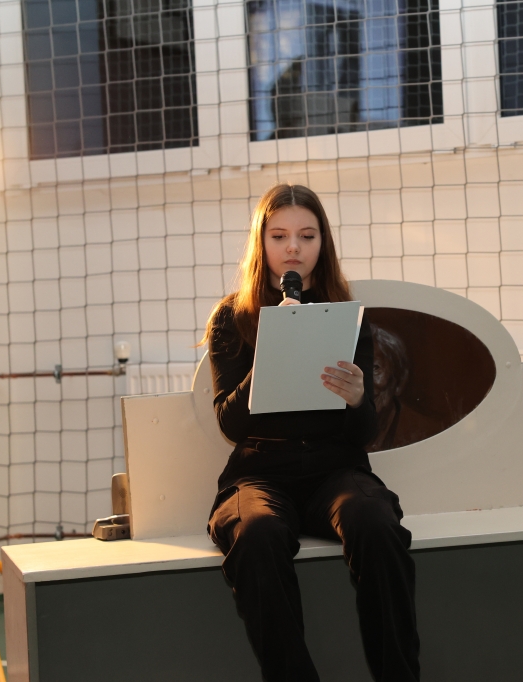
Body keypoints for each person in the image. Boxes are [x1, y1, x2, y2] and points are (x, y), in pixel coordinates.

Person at [204, 184, 421, 681]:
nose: (293, 248)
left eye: (307, 235)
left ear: (323, 243)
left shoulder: (347, 316)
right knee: (256, 534)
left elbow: (363, 435)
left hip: (335, 470)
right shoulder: (233, 317)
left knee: (375, 524)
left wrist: (358, 398)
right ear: (262, 243)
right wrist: (271, 352)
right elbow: (229, 424)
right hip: (260, 473)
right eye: (279, 236)